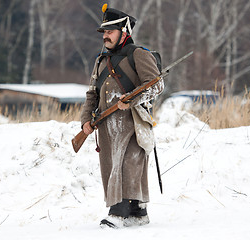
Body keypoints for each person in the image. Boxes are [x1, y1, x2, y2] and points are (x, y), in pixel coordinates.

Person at [80, 4, 164, 228]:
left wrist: (132, 100)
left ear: (124, 32)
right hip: (108, 126)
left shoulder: (138, 54)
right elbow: (92, 93)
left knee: (128, 164)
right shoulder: (101, 60)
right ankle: (137, 211)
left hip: (133, 123)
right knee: (112, 165)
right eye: (104, 32)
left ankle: (119, 211)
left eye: (110, 31)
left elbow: (156, 86)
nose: (105, 36)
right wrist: (86, 120)